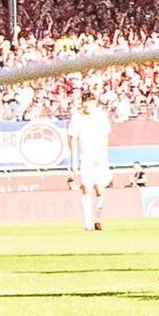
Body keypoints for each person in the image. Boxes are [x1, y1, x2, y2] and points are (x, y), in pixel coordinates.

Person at [71, 93, 112, 231]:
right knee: (86, 188)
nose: (87, 105)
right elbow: (73, 139)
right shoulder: (76, 118)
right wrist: (74, 161)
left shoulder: (101, 117)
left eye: (90, 102)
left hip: (100, 158)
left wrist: (102, 154)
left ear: (95, 103)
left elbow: (105, 136)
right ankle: (87, 223)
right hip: (86, 158)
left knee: (99, 190)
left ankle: (97, 218)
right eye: (85, 102)